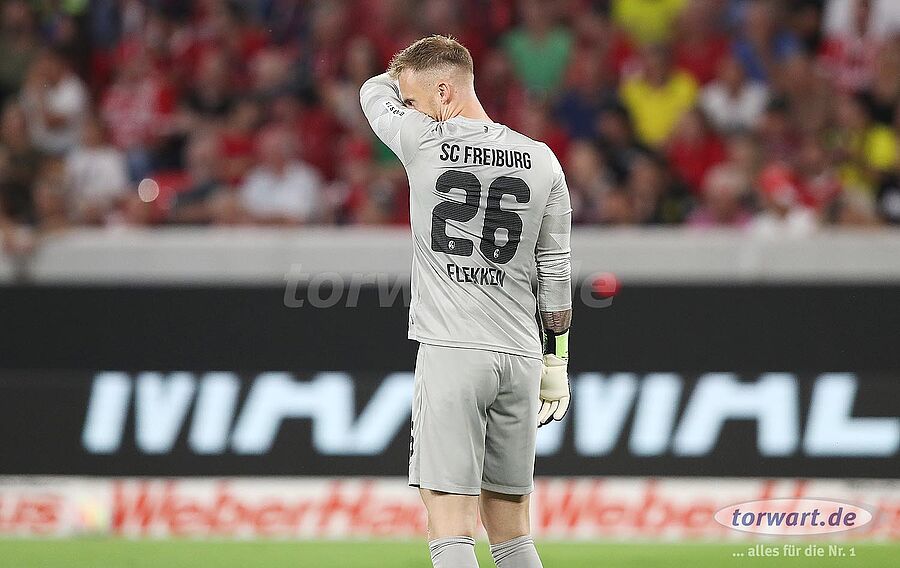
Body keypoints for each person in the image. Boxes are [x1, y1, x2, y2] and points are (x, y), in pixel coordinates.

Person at [360, 35, 572, 568]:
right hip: (522, 357)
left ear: (443, 91)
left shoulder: (422, 141)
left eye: (413, 99)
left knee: (450, 525)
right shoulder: (541, 159)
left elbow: (370, 93)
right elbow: (556, 272)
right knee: (512, 531)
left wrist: (399, 78)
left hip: (453, 350)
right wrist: (557, 361)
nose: (408, 109)